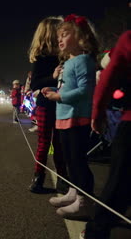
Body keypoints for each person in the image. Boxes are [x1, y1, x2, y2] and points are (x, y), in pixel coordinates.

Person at [42, 13, 99, 219]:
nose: (60, 39)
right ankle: (74, 193)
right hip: (63, 118)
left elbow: (85, 90)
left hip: (77, 118)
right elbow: (65, 87)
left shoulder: (84, 60)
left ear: (81, 37)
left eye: (65, 34)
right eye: (60, 36)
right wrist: (50, 89)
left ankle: (85, 201)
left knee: (78, 160)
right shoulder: (67, 63)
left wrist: (58, 96)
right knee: (68, 159)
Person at [84, 31, 131, 239]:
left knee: (118, 186)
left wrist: (97, 113)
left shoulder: (128, 39)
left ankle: (96, 232)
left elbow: (107, 78)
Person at [27, 17, 68, 194]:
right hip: (45, 104)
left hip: (61, 102)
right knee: (44, 142)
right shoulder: (41, 57)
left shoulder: (63, 54)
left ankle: (62, 179)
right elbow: (35, 83)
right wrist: (53, 76)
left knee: (60, 143)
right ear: (50, 33)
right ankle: (38, 179)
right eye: (59, 30)